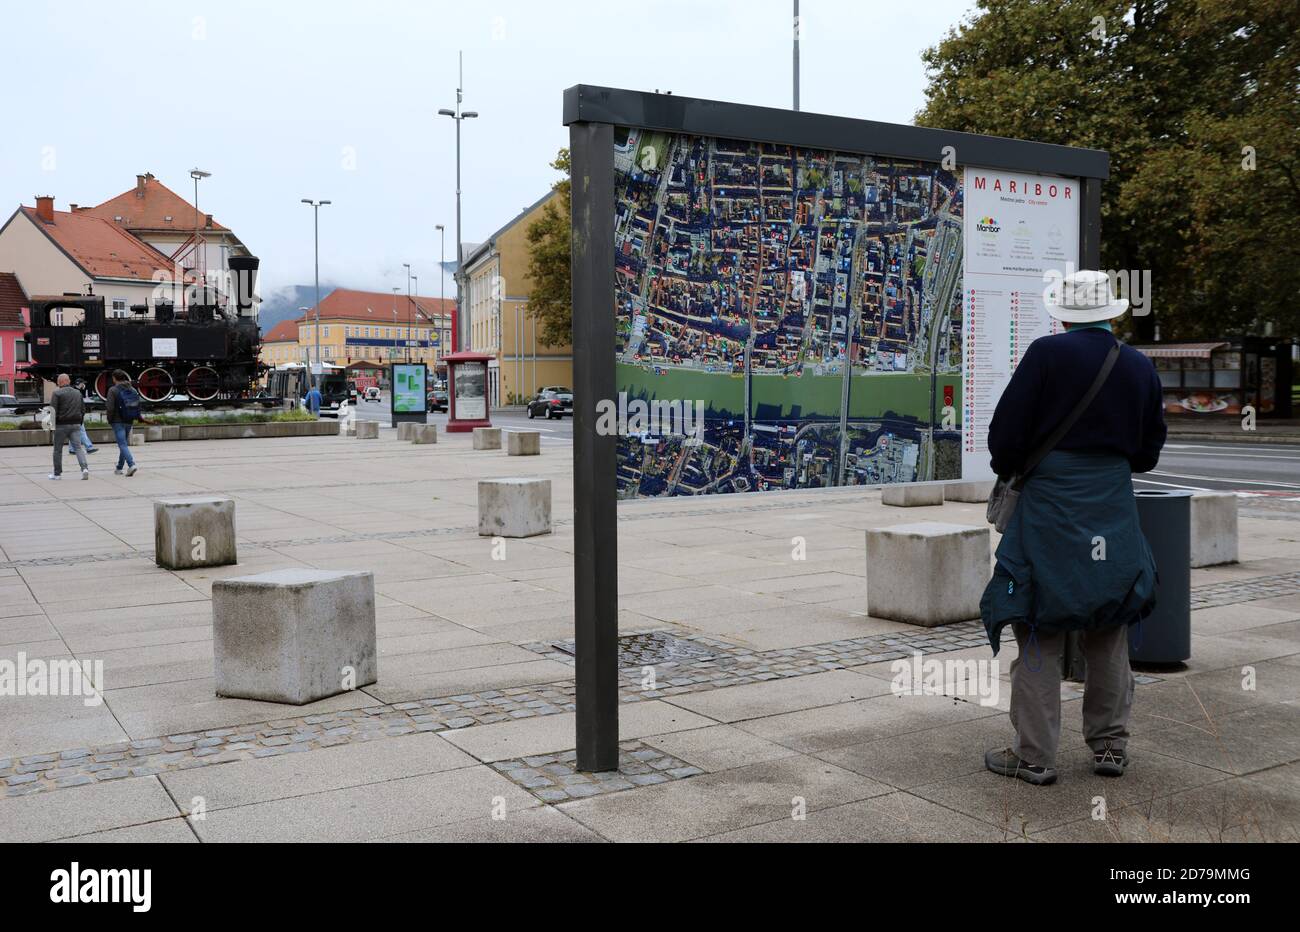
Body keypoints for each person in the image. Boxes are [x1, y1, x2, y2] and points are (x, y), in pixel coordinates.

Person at [981, 270, 1167, 785]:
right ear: (1111, 312)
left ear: (1061, 314)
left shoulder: (1046, 353)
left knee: (1038, 623)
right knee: (1108, 623)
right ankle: (1109, 746)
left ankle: (1035, 755)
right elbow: (1149, 451)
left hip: (1050, 506)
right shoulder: (1136, 365)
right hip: (1110, 503)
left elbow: (1005, 438)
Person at [49, 374, 90, 481]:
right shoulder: (77, 393)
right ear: (68, 381)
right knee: (78, 448)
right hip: (76, 424)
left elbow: (52, 411)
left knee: (57, 450)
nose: (57, 383)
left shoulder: (57, 393)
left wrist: (51, 426)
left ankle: (57, 474)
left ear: (61, 382)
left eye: (58, 381)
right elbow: (83, 409)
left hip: (61, 425)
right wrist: (79, 422)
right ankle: (84, 469)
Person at [104, 369, 140, 477]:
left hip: (117, 421)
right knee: (123, 444)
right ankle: (119, 467)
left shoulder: (113, 390)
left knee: (122, 444)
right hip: (129, 420)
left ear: (114, 378)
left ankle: (131, 464)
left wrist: (110, 420)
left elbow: (109, 407)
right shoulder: (132, 389)